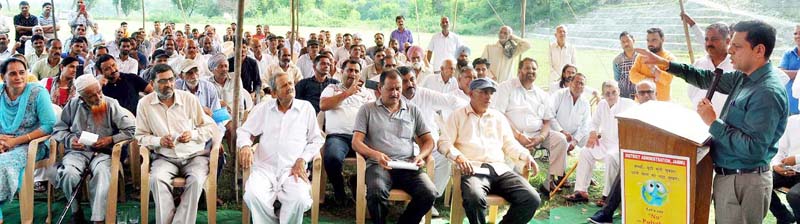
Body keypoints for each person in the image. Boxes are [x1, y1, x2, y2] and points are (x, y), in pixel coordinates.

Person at [635, 20, 788, 223]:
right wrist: (665, 64)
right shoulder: (745, 78)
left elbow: (754, 149)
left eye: (737, 46)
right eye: (730, 44)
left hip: (744, 180)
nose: (730, 50)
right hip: (732, 176)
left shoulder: (767, 92)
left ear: (759, 50)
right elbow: (705, 77)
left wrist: (713, 123)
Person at [438, 78, 541, 224]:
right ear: (471, 94)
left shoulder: (498, 117)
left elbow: (510, 143)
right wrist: (458, 157)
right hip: (472, 169)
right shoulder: (458, 115)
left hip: (499, 169)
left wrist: (526, 155)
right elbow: (443, 142)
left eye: (491, 93)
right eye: (484, 92)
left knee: (531, 198)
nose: (488, 96)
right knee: (474, 198)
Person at [237, 71, 323, 223]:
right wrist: (245, 146)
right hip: (264, 168)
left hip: (292, 169)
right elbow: (245, 131)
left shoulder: (306, 108)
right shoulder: (264, 108)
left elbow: (316, 139)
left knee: (300, 199)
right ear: (275, 93)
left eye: (290, 83)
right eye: (284, 85)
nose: (290, 87)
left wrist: (302, 159)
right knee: (253, 195)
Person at [135, 64, 217, 224]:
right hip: (164, 157)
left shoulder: (189, 99)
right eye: (163, 81)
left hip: (195, 156)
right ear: (152, 83)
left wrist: (192, 134)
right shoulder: (144, 104)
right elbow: (140, 136)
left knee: (197, 180)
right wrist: (159, 141)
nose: (169, 85)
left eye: (171, 80)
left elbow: (209, 128)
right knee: (157, 179)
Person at [353, 69, 437, 224]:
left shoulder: (413, 110)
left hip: (408, 165)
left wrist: (421, 156)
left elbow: (429, 141)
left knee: (429, 193)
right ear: (380, 88)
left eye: (398, 89)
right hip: (379, 165)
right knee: (376, 193)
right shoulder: (367, 110)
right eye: (390, 89)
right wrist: (376, 154)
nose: (395, 93)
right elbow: (356, 142)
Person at [51, 74, 135, 223]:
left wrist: (110, 139)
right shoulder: (73, 105)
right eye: (91, 96)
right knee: (68, 174)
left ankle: (98, 218)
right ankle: (76, 211)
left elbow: (131, 130)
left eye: (99, 92)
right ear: (82, 98)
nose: (98, 97)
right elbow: (58, 130)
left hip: (103, 153)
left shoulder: (110, 103)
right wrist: (71, 140)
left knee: (102, 174)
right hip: (78, 152)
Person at [397, 66, 467, 216]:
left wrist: (459, 120)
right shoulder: (393, 97)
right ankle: (413, 198)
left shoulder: (425, 94)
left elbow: (454, 101)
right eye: (404, 81)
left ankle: (430, 200)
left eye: (412, 79)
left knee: (444, 158)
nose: (410, 84)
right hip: (405, 145)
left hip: (430, 143)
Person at [588, 79, 658, 224]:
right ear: (637, 96)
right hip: (638, 155)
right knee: (625, 168)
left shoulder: (663, 110)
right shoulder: (633, 111)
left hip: (663, 156)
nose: (646, 95)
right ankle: (607, 213)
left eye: (649, 92)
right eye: (642, 93)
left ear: (656, 93)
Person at [494, 57, 569, 192]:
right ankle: (513, 183)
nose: (531, 71)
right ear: (519, 71)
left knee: (560, 140)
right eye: (527, 68)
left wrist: (540, 137)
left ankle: (548, 183)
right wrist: (517, 135)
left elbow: (547, 121)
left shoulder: (541, 94)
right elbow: (500, 115)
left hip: (536, 135)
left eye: (534, 69)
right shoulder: (506, 87)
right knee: (509, 173)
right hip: (511, 134)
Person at [0, 58, 56, 222]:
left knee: (3, 162)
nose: (18, 77)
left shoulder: (37, 92)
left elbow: (49, 126)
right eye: (13, 73)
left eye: (22, 72)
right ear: (3, 77)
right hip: (3, 142)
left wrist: (14, 142)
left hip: (33, 144)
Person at [564, 80, 636, 204]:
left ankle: (608, 196)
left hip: (620, 145)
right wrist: (593, 133)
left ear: (618, 91)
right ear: (603, 94)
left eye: (614, 92)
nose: (611, 96)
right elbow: (594, 122)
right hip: (605, 141)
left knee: (610, 157)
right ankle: (581, 191)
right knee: (585, 152)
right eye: (607, 93)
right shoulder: (602, 104)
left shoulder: (629, 104)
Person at [320, 59, 375, 203]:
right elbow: (323, 105)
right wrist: (347, 93)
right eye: (349, 70)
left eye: (356, 71)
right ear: (342, 72)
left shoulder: (367, 93)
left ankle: (356, 181)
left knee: (378, 158)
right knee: (332, 158)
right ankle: (339, 189)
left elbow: (375, 114)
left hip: (362, 137)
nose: (353, 74)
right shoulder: (332, 88)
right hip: (338, 136)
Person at [680, 14, 734, 115]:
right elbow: (691, 93)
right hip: (698, 121)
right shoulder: (699, 63)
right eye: (706, 39)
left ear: (727, 41)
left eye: (714, 39)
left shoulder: (737, 66)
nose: (709, 43)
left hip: (725, 125)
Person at [629, 28, 676, 101]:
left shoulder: (669, 58)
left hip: (661, 102)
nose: (650, 43)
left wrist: (654, 69)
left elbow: (667, 80)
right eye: (648, 40)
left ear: (662, 39)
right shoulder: (641, 56)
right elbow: (632, 76)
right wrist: (649, 80)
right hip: (641, 103)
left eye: (654, 40)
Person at [550, 73, 592, 153]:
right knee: (560, 139)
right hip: (555, 132)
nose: (579, 85)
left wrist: (575, 141)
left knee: (589, 137)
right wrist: (561, 131)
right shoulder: (559, 94)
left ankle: (585, 161)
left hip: (573, 135)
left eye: (581, 84)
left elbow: (586, 124)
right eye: (576, 82)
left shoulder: (585, 102)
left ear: (584, 87)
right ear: (570, 83)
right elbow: (549, 115)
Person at [613, 32, 638, 99]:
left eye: (628, 41)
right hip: (623, 95)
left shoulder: (641, 57)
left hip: (640, 94)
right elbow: (617, 78)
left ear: (633, 41)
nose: (626, 43)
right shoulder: (617, 60)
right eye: (623, 42)